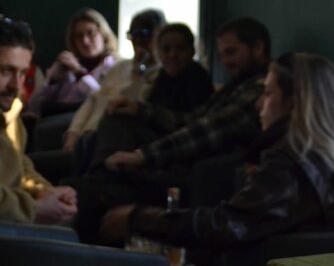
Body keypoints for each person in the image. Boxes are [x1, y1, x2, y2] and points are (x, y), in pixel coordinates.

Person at [99, 53, 334, 261]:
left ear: (293, 103)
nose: (259, 104)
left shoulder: (290, 162)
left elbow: (224, 227)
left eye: (268, 93)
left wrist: (136, 217)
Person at [69, 17, 270, 242]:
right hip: (175, 157)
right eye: (222, 54)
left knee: (98, 189)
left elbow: (208, 130)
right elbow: (191, 119)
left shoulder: (260, 89)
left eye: (231, 52)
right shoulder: (235, 86)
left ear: (258, 48)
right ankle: (98, 188)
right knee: (115, 125)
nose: (225, 61)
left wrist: (142, 156)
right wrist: (141, 110)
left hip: (195, 167)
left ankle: (95, 190)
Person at [0, 15, 78, 224]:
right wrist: (33, 208)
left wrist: (44, 191)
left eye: (22, 73)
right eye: (5, 71)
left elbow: (20, 166)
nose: (16, 86)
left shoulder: (10, 114)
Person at [62, 8, 166, 153]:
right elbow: (92, 100)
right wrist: (72, 134)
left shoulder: (162, 73)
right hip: (86, 138)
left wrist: (139, 69)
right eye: (133, 34)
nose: (137, 41)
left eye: (144, 34)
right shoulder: (120, 67)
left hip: (111, 143)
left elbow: (132, 100)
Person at [25, 8, 119, 119]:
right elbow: (33, 106)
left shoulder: (117, 66)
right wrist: (52, 80)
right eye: (79, 36)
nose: (85, 41)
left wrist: (79, 72)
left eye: (91, 33)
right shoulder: (66, 64)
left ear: (104, 35)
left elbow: (103, 102)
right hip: (54, 123)